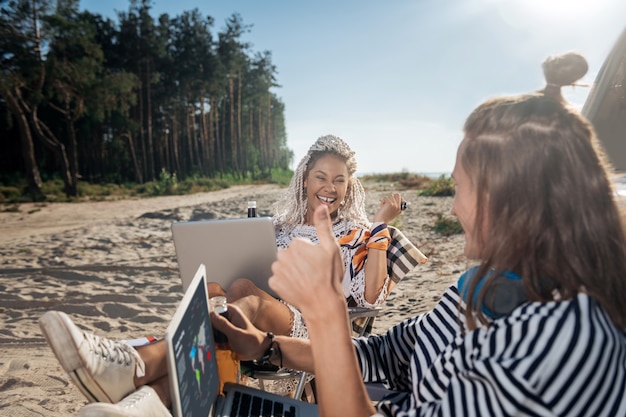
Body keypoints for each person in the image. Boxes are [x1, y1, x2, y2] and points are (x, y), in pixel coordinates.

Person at [212, 52, 626, 416]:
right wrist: (269, 348)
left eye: (459, 187)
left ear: (509, 199)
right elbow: (388, 354)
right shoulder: (480, 286)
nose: (452, 207)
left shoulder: (561, 343)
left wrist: (326, 312)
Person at [38, 134, 426, 416]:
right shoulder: (278, 227)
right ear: (305, 179)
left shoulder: (359, 233)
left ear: (349, 186)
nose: (330, 187)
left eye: (339, 180)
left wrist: (379, 227)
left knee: (241, 292)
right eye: (321, 177)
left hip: (312, 323)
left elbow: (371, 297)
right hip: (263, 310)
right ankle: (150, 401)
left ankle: (138, 364)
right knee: (215, 291)